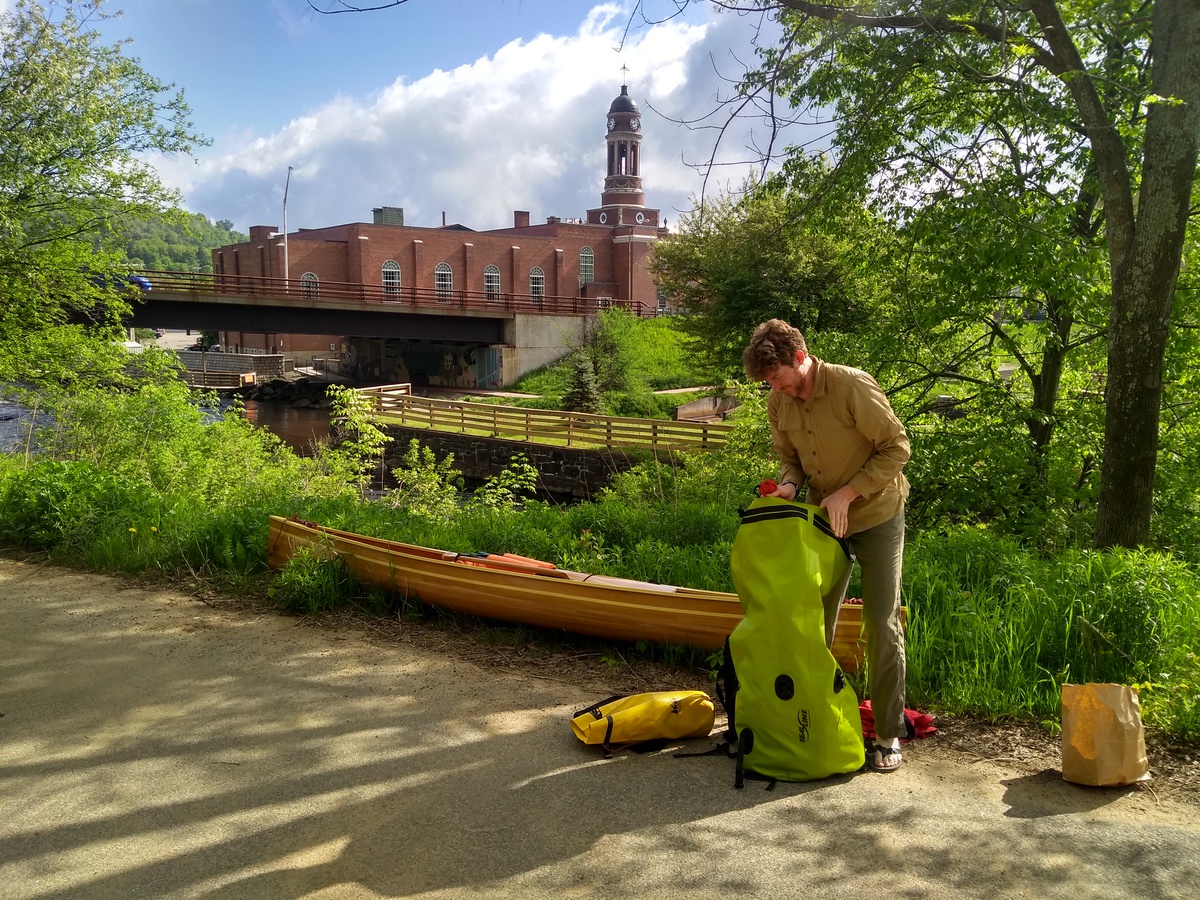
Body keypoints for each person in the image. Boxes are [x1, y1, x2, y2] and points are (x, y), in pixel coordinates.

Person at [743, 319, 910, 772]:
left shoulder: (851, 386)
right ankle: (811, 718)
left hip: (876, 513)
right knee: (811, 618)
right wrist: (790, 487)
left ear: (800, 358)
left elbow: (897, 448)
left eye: (778, 378)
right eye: (768, 383)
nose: (775, 389)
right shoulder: (779, 401)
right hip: (821, 520)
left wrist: (850, 491)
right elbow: (790, 461)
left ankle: (889, 733)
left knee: (880, 622)